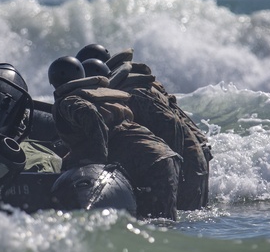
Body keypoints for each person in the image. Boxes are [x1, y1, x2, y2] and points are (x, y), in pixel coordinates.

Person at [78, 43, 212, 209]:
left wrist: (176, 167)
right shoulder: (135, 82)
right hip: (195, 156)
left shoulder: (133, 90)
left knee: (178, 223)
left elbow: (171, 125)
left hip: (190, 162)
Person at [48, 56, 180, 220]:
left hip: (149, 163)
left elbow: (90, 115)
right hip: (163, 157)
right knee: (163, 225)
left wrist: (96, 162)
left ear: (52, 81)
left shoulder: (68, 101)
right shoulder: (94, 94)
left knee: (156, 228)